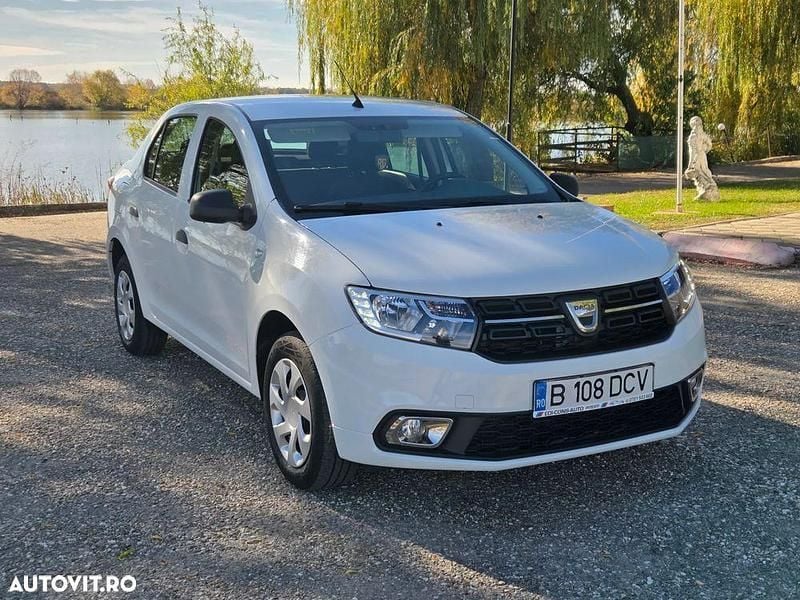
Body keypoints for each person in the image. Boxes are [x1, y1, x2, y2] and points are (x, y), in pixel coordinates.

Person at [685, 116, 720, 201]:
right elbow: (709, 144)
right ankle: (711, 186)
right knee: (704, 170)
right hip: (702, 155)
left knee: (697, 172)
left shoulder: (693, 137)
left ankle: (706, 188)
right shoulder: (703, 134)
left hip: (696, 157)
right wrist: (704, 150)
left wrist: (690, 165)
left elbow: (692, 151)